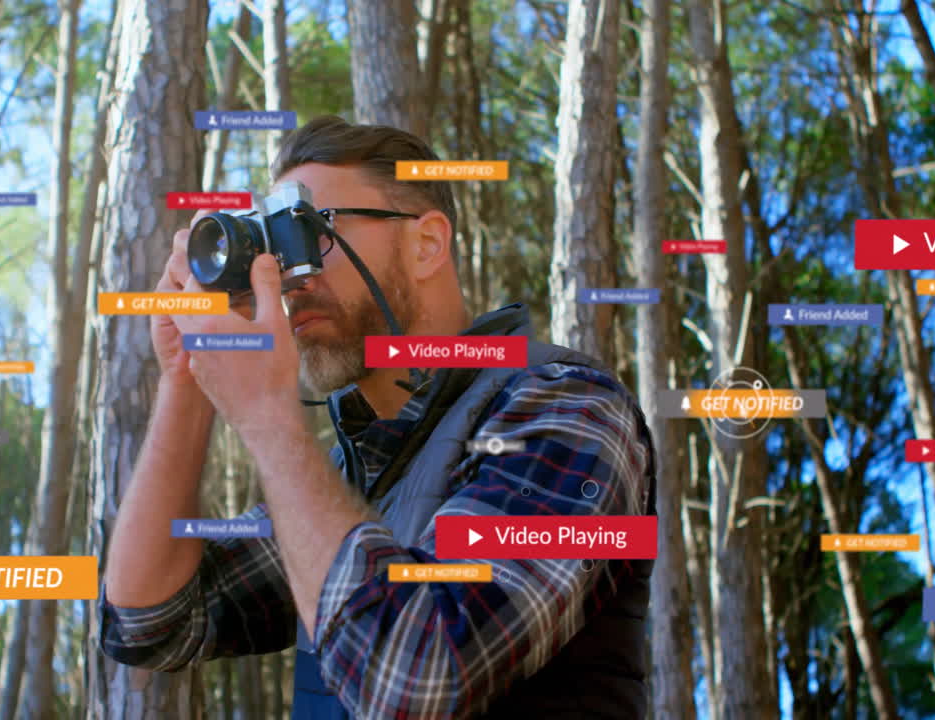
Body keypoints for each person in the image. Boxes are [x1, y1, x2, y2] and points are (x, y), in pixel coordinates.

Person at [98, 115, 656, 719]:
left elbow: (416, 679)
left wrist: (266, 414)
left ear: (426, 245)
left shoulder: (567, 407)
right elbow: (149, 621)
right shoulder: (348, 476)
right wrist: (187, 379)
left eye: (311, 232)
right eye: (277, 249)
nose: (291, 281)